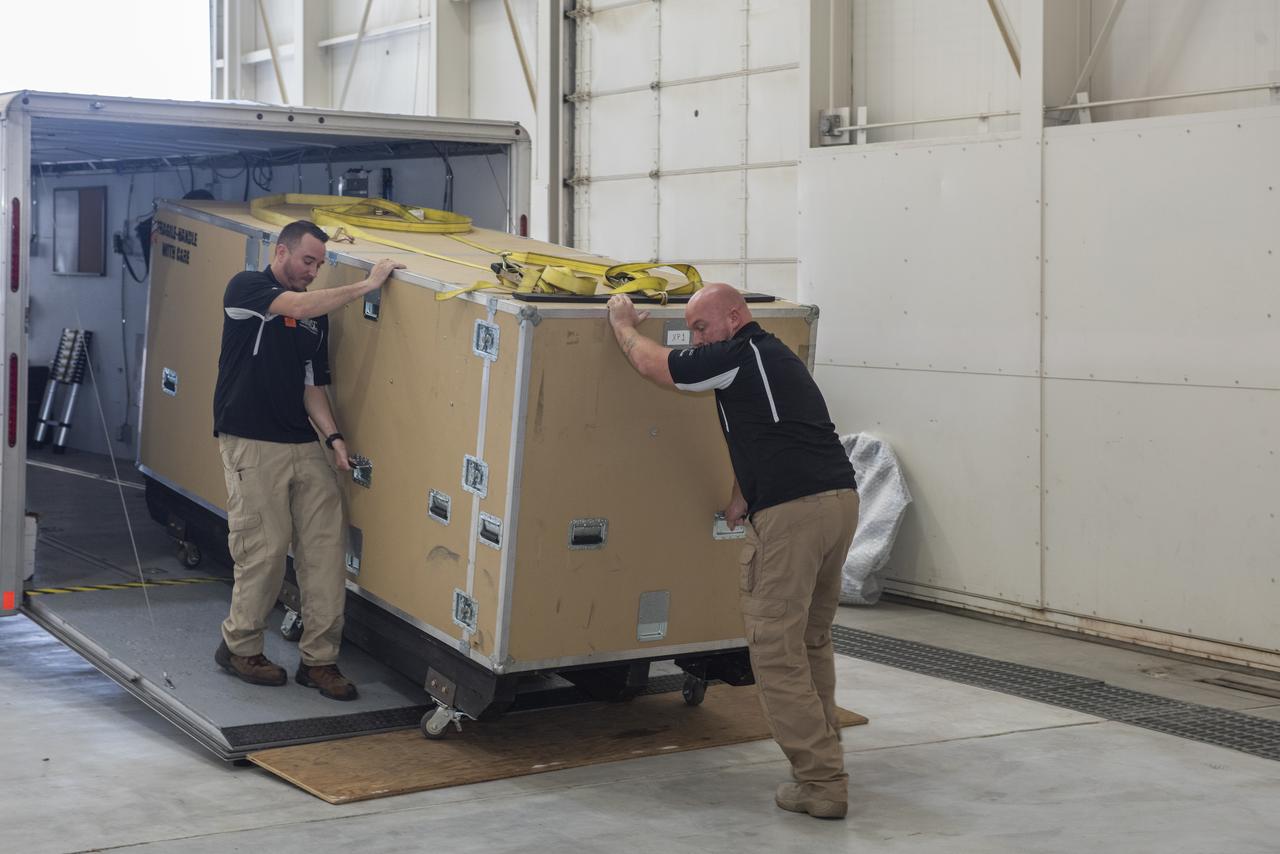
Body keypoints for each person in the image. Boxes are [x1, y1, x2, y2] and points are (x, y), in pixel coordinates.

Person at [606, 283, 859, 819]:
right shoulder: (776, 357)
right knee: (811, 639)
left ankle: (820, 783)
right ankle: (827, 752)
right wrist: (742, 494)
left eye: (701, 327)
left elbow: (657, 366)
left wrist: (623, 326)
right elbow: (775, 431)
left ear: (734, 316)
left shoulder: (736, 355)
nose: (696, 339)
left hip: (794, 516)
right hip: (837, 502)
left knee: (775, 649)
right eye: (692, 331)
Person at [211, 219, 404, 701]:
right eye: (307, 261)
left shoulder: (317, 319)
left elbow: (312, 387)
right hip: (250, 441)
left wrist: (335, 437)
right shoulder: (248, 288)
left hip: (302, 442)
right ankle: (240, 646)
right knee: (266, 546)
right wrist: (368, 285)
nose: (313, 272)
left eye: (320, 264)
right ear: (281, 252)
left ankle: (320, 661)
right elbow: (295, 304)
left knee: (324, 550)